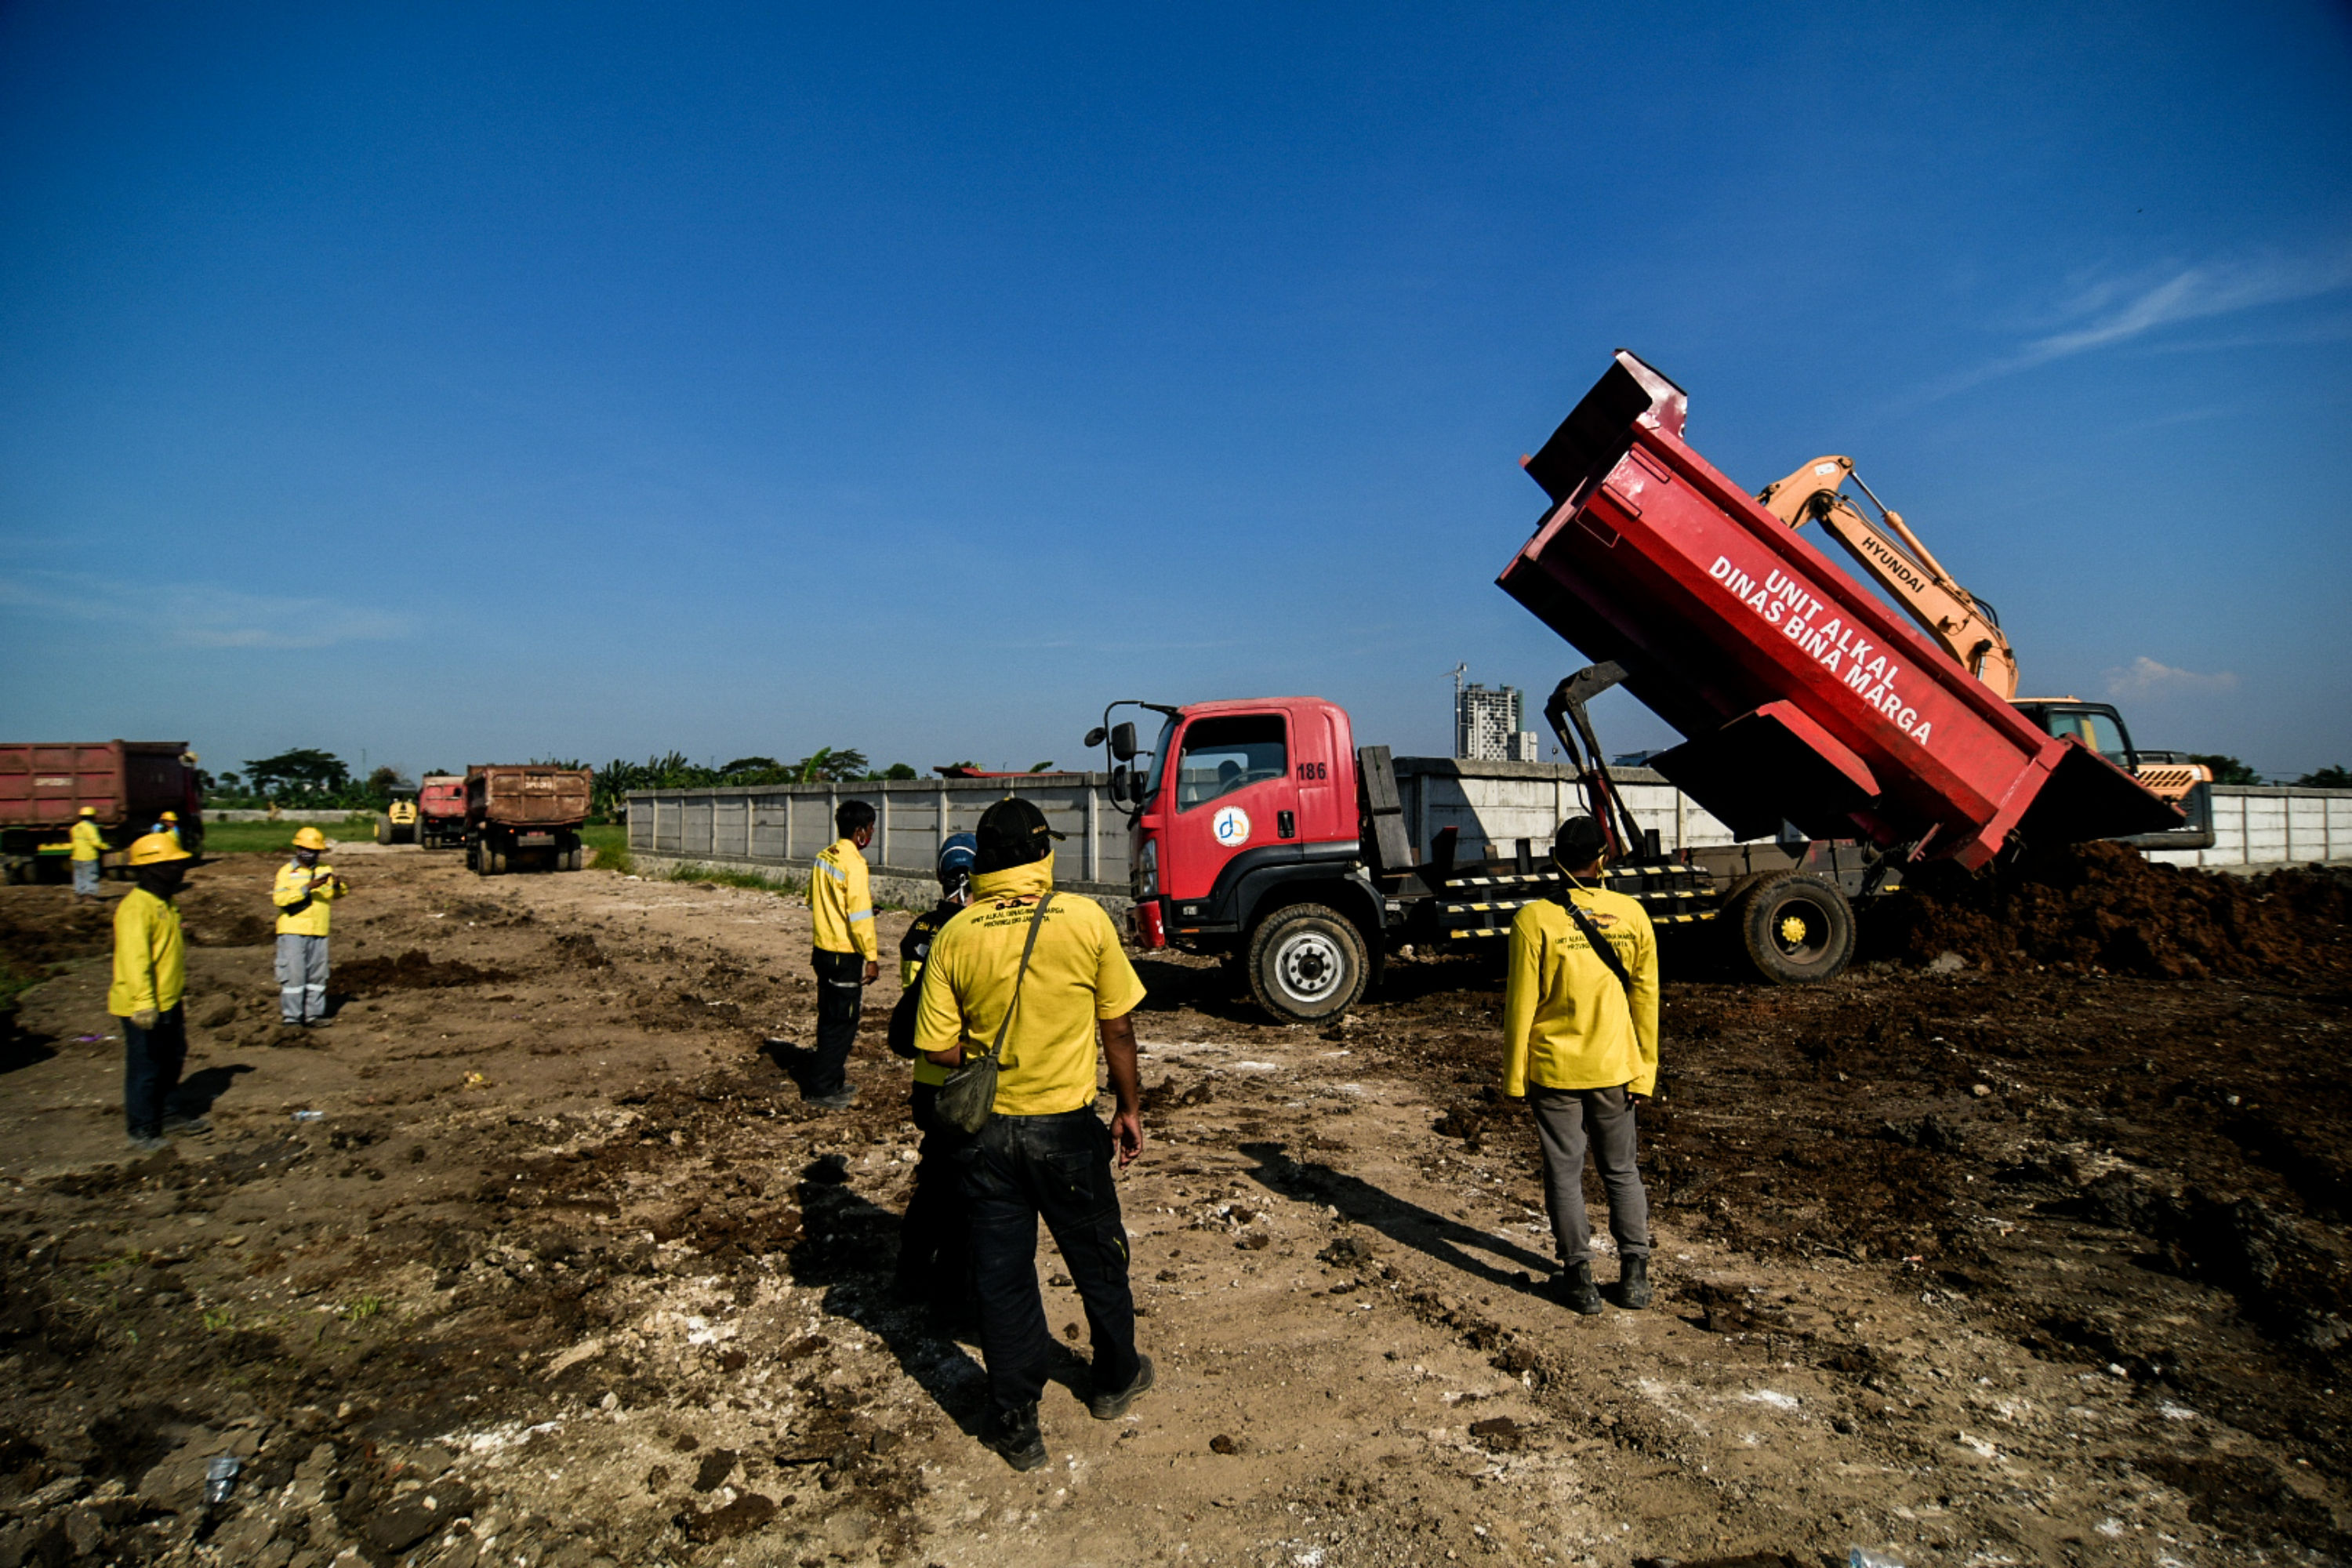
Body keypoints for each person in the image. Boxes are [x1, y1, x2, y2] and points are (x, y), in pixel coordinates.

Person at [915, 797, 1152, 1471]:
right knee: (1099, 1258)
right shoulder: (1084, 919)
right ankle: (1114, 1379)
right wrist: (1129, 1108)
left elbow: (936, 1048)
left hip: (985, 1137)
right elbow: (1118, 1030)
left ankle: (1016, 1422)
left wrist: (990, 1055)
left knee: (1003, 1276)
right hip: (1067, 1131)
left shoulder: (956, 934)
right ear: (1044, 853)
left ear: (984, 861)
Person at [1501, 814, 1661, 1316]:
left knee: (1564, 1175)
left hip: (1555, 1071)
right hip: (1617, 1068)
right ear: (1603, 858)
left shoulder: (1533, 921)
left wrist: (1514, 1078)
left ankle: (1580, 1279)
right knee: (1622, 1170)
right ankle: (1635, 1276)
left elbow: (1520, 1005)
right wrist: (1645, 1072)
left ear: (1556, 859)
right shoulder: (1633, 915)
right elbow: (1646, 999)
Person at [889, 832, 979, 1318]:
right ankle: (950, 1295)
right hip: (963, 1078)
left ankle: (910, 1271)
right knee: (964, 1191)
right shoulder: (974, 929)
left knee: (935, 1180)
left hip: (926, 1080)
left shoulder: (920, 929)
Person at [111, 833, 201, 1151]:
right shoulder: (136, 909)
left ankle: (169, 1112)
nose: (181, 869)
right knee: (145, 1067)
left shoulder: (165, 902)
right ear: (151, 868)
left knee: (171, 1058)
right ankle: (142, 1127)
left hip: (168, 999)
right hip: (144, 1005)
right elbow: (134, 961)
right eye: (173, 864)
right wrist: (143, 1003)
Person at [804, 800, 879, 1109]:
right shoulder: (855, 864)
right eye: (870, 829)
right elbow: (859, 918)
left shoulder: (824, 857)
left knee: (828, 1016)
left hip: (822, 949)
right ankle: (822, 1090)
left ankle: (831, 1080)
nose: (871, 835)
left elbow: (813, 901)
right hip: (843, 955)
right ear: (860, 831)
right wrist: (871, 957)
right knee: (842, 1023)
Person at [273, 825, 347, 1028]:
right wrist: (307, 888)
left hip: (319, 930)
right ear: (298, 848)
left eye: (315, 850)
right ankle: (292, 1017)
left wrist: (337, 887)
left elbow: (335, 894)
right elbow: (279, 899)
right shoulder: (286, 872)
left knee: (317, 975)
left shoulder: (325, 870)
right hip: (293, 930)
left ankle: (313, 1015)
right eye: (306, 849)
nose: (310, 854)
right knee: (294, 975)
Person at [69, 806, 104, 901]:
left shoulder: (75, 828)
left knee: (79, 876)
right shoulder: (91, 828)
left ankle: (78, 895)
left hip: (76, 856)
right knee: (91, 876)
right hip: (89, 856)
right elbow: (96, 843)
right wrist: (106, 847)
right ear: (93, 817)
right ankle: (90, 896)